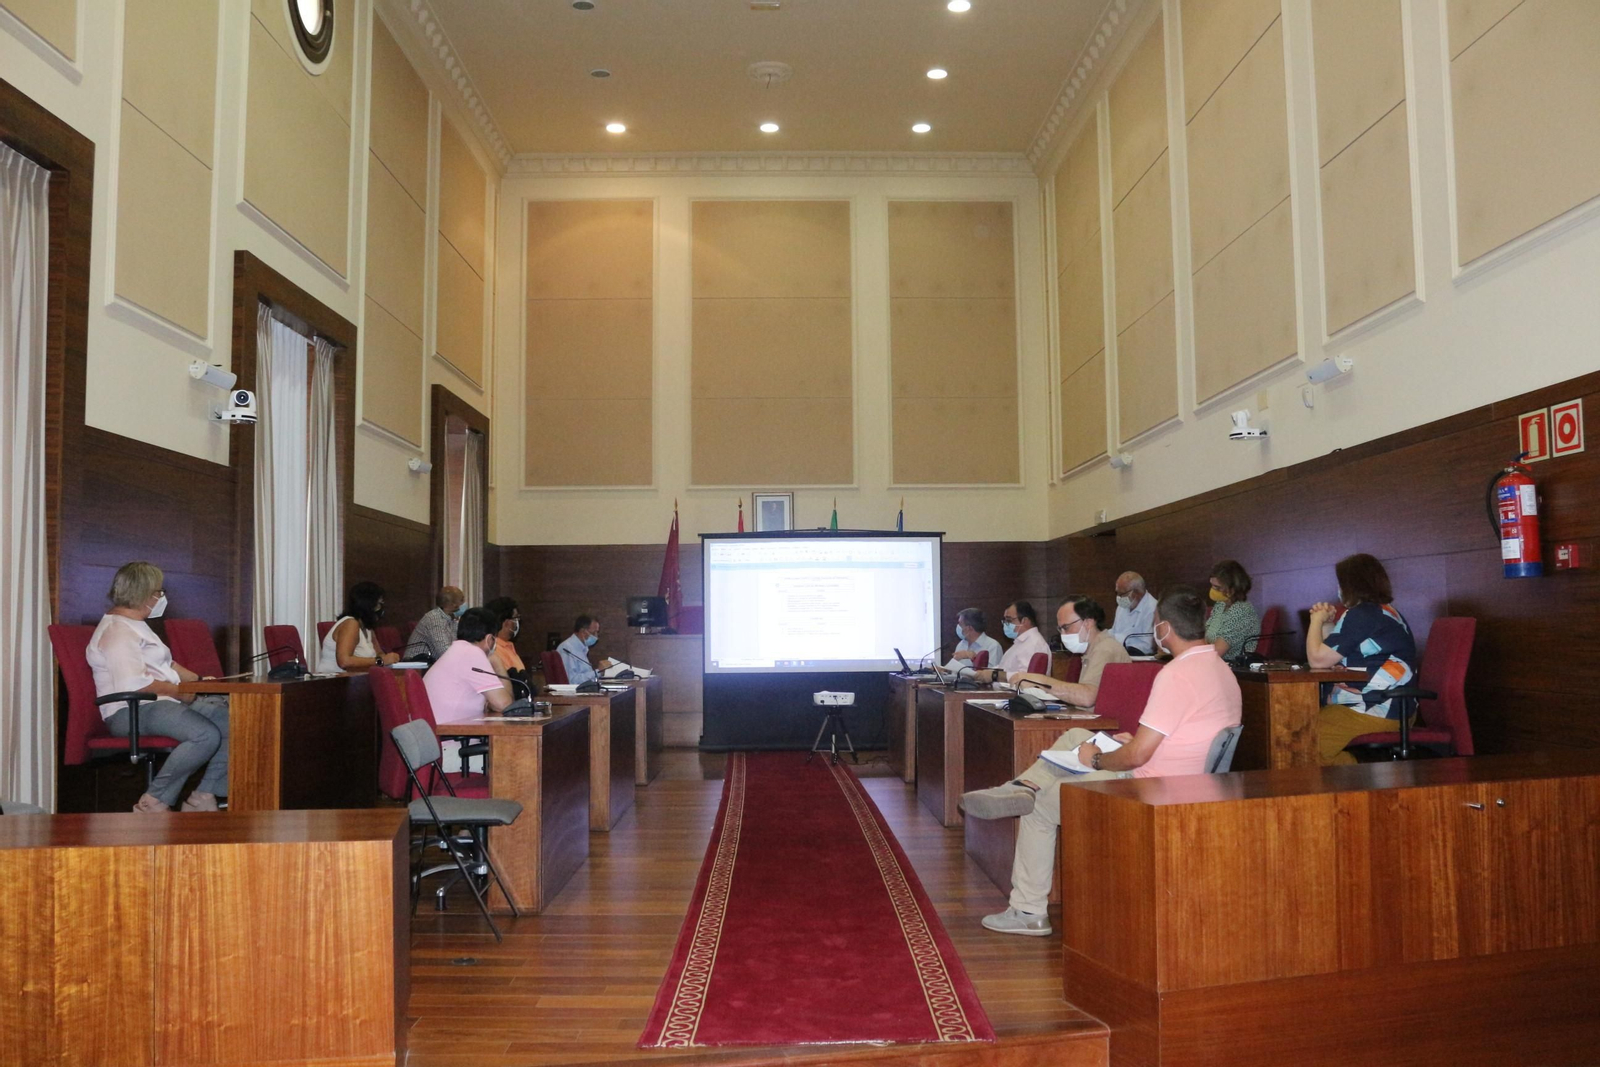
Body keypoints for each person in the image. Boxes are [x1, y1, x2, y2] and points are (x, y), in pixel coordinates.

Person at [961, 586, 1241, 936]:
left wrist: (1097, 760)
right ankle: (1019, 786)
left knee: (1040, 807)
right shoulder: (1219, 669)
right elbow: (1179, 737)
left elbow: (1136, 756)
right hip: (1184, 779)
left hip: (1149, 789)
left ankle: (1027, 911)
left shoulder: (1176, 674)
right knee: (1078, 735)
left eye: (1155, 624)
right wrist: (1119, 745)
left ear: (1165, 628)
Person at [85, 562, 231, 813]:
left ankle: (202, 797)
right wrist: (180, 692)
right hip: (132, 710)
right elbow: (134, 684)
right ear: (143, 594)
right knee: (205, 735)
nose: (161, 598)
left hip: (161, 703)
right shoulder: (117, 631)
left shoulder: (136, 624)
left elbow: (165, 663)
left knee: (233, 721)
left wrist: (198, 681)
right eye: (158, 592)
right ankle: (153, 802)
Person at [1307, 553, 1419, 765]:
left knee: (1300, 743)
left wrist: (1315, 621)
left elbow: (1318, 661)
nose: (1338, 589)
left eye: (1341, 583)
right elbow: (1333, 655)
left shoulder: (1362, 614)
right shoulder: (1382, 612)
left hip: (1377, 707)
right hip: (1393, 707)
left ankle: (1361, 773)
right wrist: (1327, 624)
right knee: (1299, 737)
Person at [1005, 596, 1130, 708]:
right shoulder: (1092, 649)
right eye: (1060, 629)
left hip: (1106, 723)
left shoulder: (1105, 648)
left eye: (1066, 627)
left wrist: (1041, 681)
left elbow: (1087, 698)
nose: (1062, 634)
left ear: (1088, 623)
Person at [424, 607, 515, 725]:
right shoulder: (472, 653)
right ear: (489, 639)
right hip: (450, 734)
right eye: (494, 639)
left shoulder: (458, 650)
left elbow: (495, 703)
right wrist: (498, 664)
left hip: (440, 731)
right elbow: (505, 705)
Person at [321, 581, 400, 671]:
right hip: (337, 678)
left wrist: (388, 658)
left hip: (357, 677)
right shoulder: (350, 623)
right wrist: (380, 661)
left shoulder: (367, 627)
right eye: (378, 604)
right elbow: (344, 661)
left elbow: (379, 653)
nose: (380, 609)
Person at [1205, 559, 1261, 663]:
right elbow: (1205, 636)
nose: (1212, 590)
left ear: (1233, 588)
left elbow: (1215, 653)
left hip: (1232, 667)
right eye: (1212, 585)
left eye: (1217, 588)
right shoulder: (1220, 605)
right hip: (1215, 664)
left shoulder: (1242, 612)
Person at [982, 600, 1052, 683]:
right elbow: (1005, 668)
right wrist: (985, 673)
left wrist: (994, 675)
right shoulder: (1021, 642)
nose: (1005, 624)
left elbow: (1025, 678)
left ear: (1024, 621)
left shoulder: (1034, 644)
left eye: (1009, 620)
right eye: (1004, 620)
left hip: (1015, 691)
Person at [405, 586, 465, 660]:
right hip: (416, 663)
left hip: (430, 662)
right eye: (461, 601)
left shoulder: (451, 619)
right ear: (452, 604)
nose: (463, 604)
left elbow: (457, 643)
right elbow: (444, 651)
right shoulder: (434, 618)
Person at [557, 613, 613, 687]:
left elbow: (585, 676)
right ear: (583, 632)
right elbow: (571, 681)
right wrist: (598, 672)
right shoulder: (567, 648)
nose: (596, 637)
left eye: (597, 632)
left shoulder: (582, 649)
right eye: (593, 633)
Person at [944, 607, 1003, 673]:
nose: (958, 627)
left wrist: (974, 658)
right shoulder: (961, 644)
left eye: (960, 624)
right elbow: (954, 671)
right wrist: (943, 670)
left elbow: (991, 674)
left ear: (969, 628)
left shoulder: (992, 646)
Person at [1110, 571, 1156, 654]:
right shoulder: (1122, 606)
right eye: (1117, 593)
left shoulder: (1153, 609)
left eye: (1122, 594)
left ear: (1137, 593)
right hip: (1118, 652)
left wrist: (1123, 643)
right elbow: (1114, 632)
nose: (1119, 597)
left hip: (1138, 656)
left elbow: (1147, 646)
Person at [484, 596, 526, 681]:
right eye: (516, 618)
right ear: (506, 623)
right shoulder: (494, 649)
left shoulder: (508, 646)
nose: (518, 622)